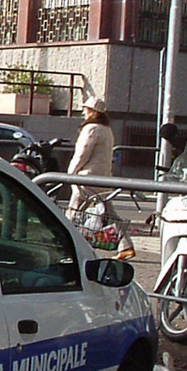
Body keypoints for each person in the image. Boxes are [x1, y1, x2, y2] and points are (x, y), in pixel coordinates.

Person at [66, 95, 135, 260]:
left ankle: (66, 245)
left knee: (73, 212)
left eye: (85, 109)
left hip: (87, 178)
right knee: (109, 213)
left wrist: (70, 173)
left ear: (92, 111)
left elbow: (82, 154)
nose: (83, 112)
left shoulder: (91, 129)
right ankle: (126, 245)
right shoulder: (107, 129)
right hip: (103, 178)